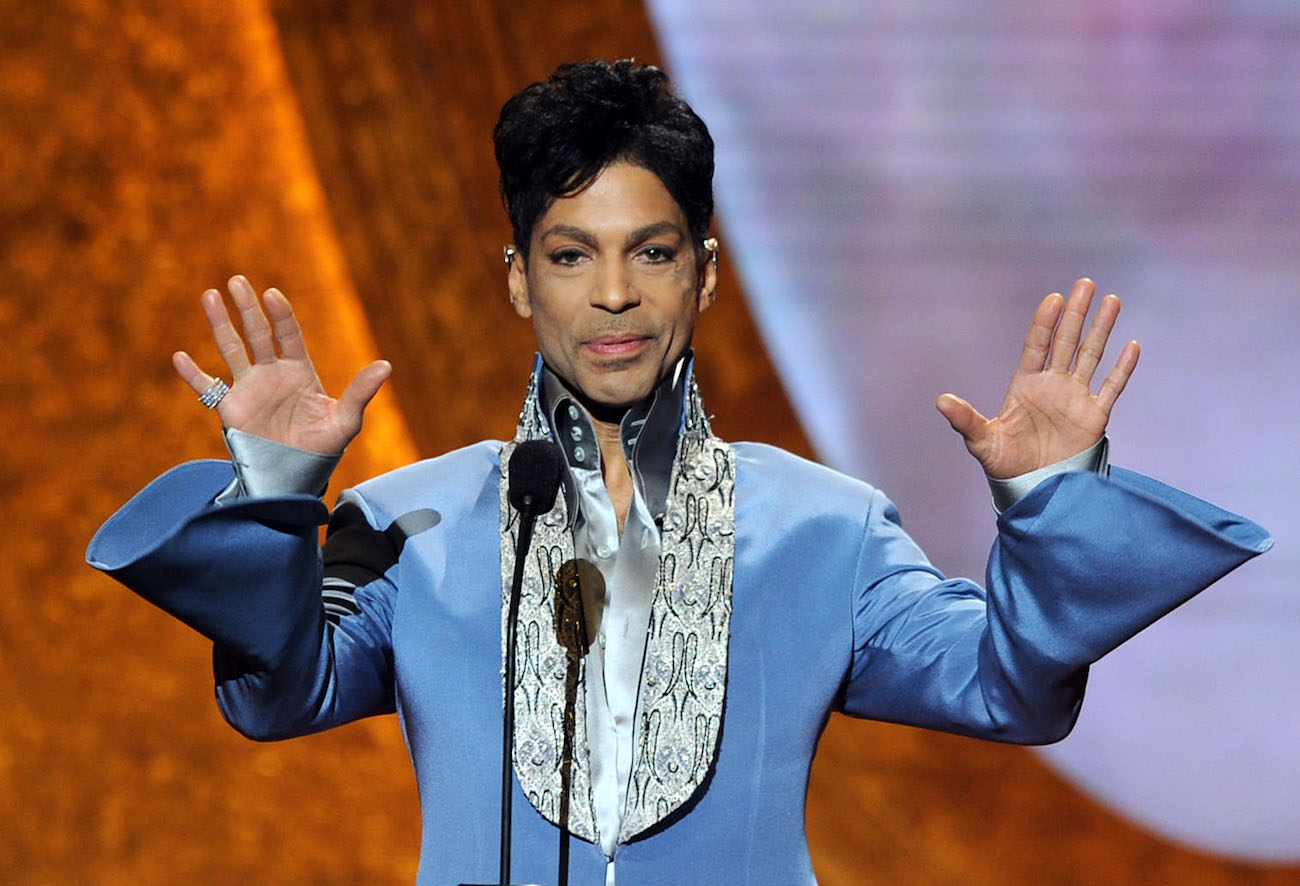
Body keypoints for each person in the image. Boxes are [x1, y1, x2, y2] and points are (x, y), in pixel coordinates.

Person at [87, 60, 1270, 885]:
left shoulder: (828, 527)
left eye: (650, 252)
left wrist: (1050, 499)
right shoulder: (405, 518)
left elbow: (1006, 688)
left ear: (704, 276)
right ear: (517, 281)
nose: (612, 296)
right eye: (571, 255)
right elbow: (277, 692)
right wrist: (282, 491)